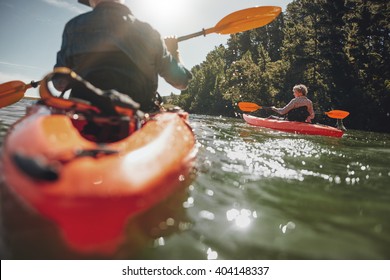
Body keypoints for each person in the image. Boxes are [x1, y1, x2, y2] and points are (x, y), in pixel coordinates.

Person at [53, 0, 192, 114]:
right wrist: (174, 51)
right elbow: (181, 81)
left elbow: (59, 84)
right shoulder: (149, 32)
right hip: (137, 115)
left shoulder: (72, 28)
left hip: (83, 114)